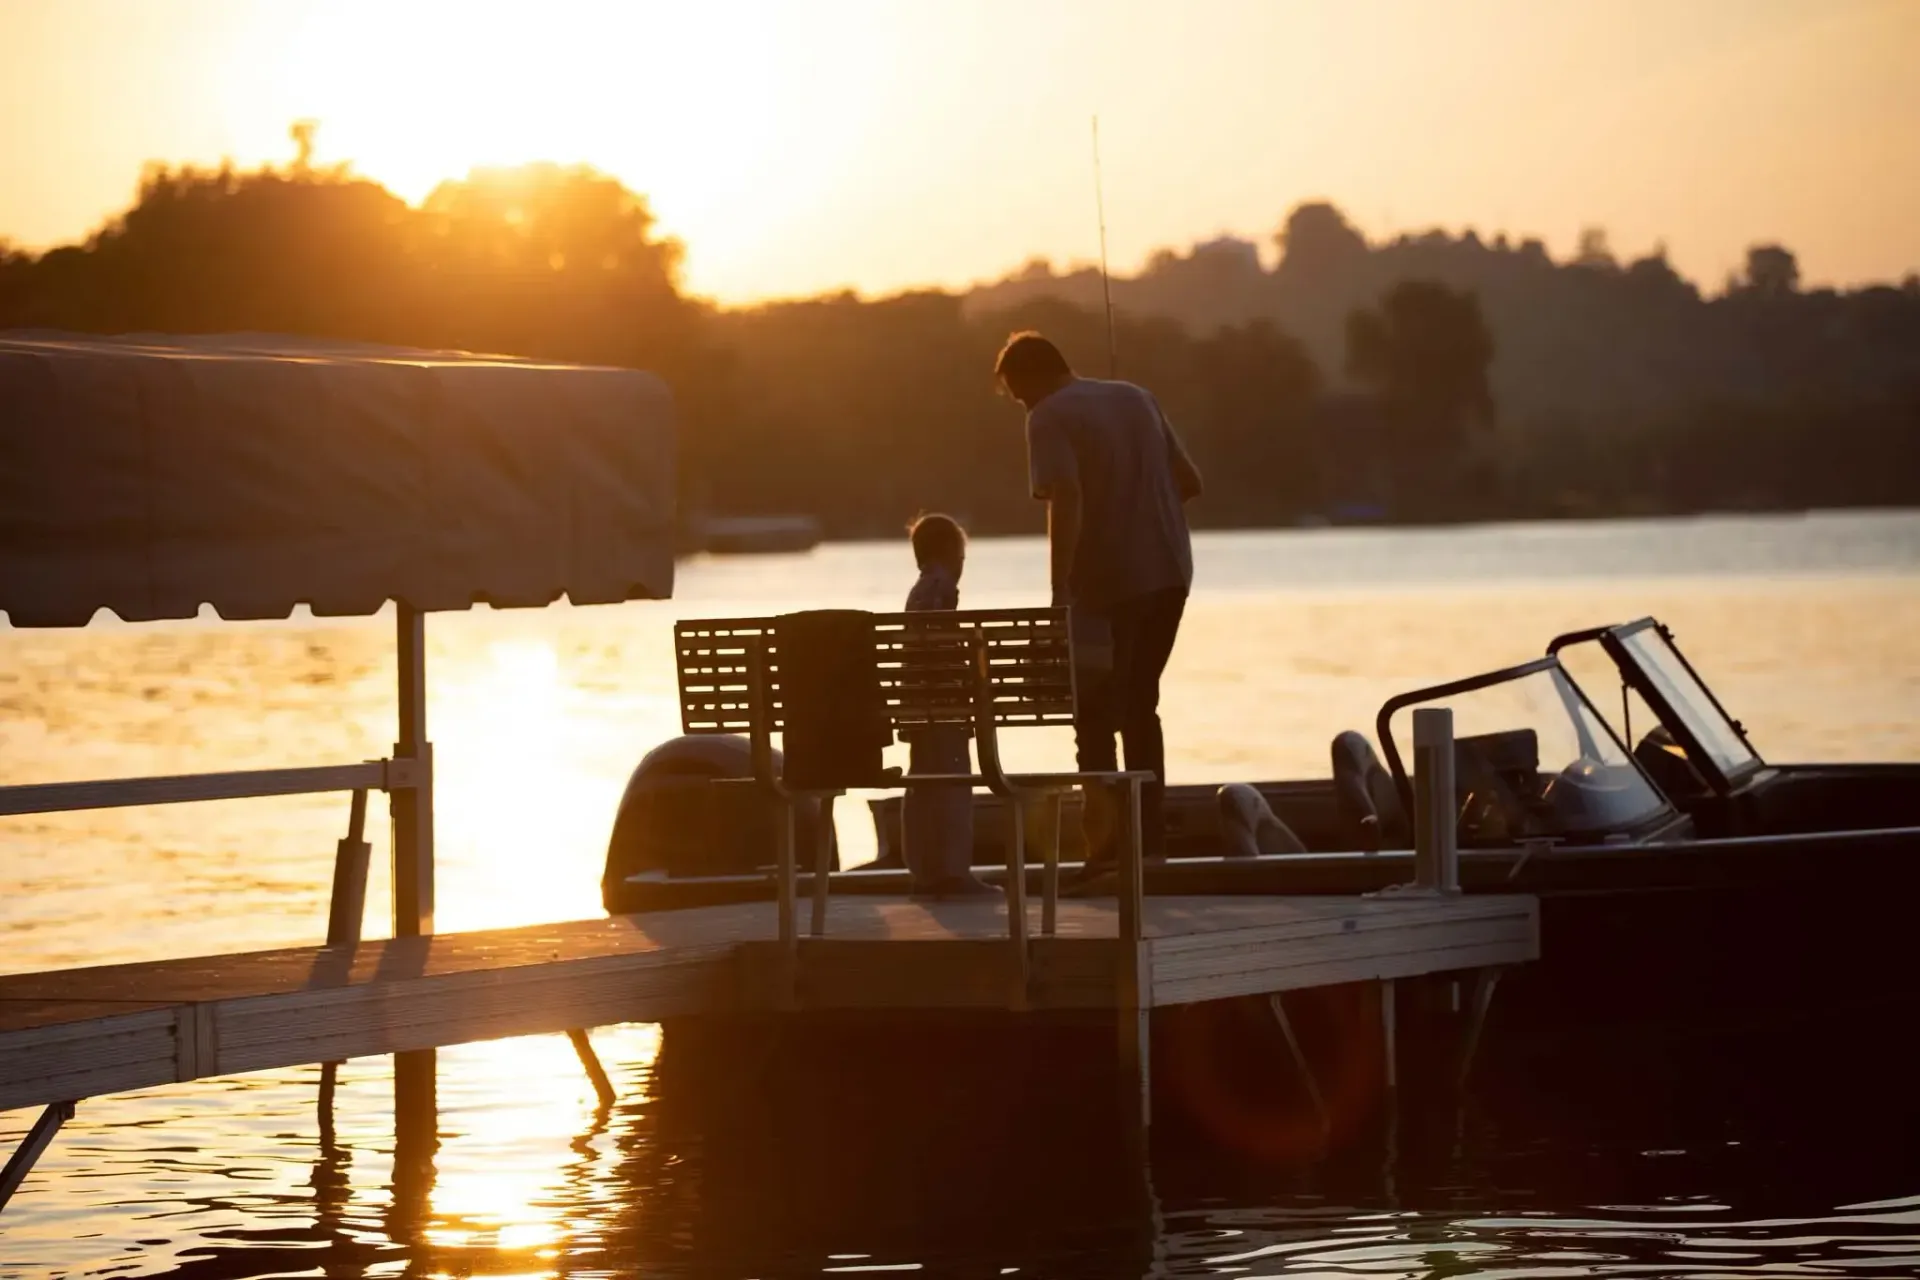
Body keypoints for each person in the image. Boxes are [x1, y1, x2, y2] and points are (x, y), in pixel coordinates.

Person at [992, 331, 1203, 878]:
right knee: (1140, 707)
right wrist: (1135, 498)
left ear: (1029, 378)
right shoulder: (1138, 397)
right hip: (1170, 574)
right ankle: (1149, 844)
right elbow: (1189, 481)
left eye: (1017, 393)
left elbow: (1068, 497)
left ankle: (1107, 851)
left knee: (1092, 719)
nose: (1022, 404)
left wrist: (1060, 589)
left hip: (1104, 589)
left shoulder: (1047, 416)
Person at [899, 512, 997, 898]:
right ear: (950, 553)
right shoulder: (942, 589)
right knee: (955, 785)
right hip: (944, 707)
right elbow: (943, 648)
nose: (961, 567)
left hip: (917, 708)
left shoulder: (918, 590)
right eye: (962, 557)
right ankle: (953, 872)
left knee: (922, 784)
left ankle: (925, 871)